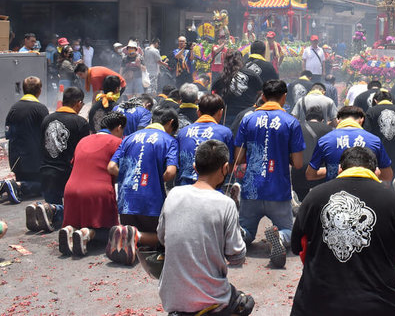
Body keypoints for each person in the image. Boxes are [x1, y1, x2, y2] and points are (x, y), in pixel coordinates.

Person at [290, 146, 395, 316]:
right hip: (379, 307)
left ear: (340, 169)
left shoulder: (314, 197)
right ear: (377, 172)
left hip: (315, 307)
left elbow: (297, 247)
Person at [158, 140, 254, 316]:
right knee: (245, 303)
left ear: (195, 167)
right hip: (212, 298)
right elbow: (237, 256)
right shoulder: (226, 204)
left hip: (172, 298)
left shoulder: (173, 194)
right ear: (225, 168)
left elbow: (162, 237)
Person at [234, 79, 305, 268]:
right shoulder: (291, 122)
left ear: (262, 96)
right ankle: (280, 237)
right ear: (284, 97)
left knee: (247, 229)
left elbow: (238, 158)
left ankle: (240, 235)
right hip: (278, 191)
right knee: (288, 229)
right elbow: (298, 163)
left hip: (252, 189)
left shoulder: (248, 119)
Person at [107, 107, 179, 265]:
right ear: (170, 123)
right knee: (167, 239)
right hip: (151, 205)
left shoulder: (128, 138)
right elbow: (170, 172)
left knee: (132, 227)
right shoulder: (169, 140)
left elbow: (111, 167)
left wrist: (127, 176)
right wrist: (155, 180)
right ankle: (135, 236)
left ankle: (128, 235)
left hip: (126, 203)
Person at [58, 111, 127, 256]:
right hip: (98, 192)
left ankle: (71, 229)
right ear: (119, 127)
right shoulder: (117, 143)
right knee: (112, 231)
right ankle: (87, 233)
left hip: (70, 190)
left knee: (79, 219)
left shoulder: (83, 140)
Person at [32, 87, 89, 232]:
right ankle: (51, 212)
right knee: (75, 211)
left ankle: (47, 209)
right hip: (68, 172)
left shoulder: (47, 119)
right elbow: (83, 152)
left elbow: (41, 145)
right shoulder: (80, 122)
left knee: (54, 212)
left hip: (46, 170)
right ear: (78, 103)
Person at [0, 78, 49, 204]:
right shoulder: (40, 109)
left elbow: (8, 133)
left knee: (24, 187)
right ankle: (17, 185)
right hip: (34, 160)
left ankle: (5, 185)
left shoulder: (14, 108)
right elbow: (47, 134)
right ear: (39, 91)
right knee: (45, 187)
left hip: (16, 158)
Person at [308, 105, 394, 184]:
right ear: (361, 120)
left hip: (335, 193)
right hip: (366, 191)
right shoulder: (374, 140)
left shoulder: (325, 140)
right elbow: (388, 175)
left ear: (338, 120)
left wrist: (333, 170)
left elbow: (310, 175)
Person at [175, 94, 234, 187]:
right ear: (221, 112)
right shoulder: (225, 133)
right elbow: (229, 166)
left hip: (185, 187)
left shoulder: (182, 132)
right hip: (213, 189)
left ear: (198, 112)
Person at [364, 90, 395, 198]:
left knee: (380, 175)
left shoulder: (371, 111)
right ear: (391, 100)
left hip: (377, 151)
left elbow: (366, 134)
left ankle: (383, 189)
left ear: (376, 101)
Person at [291, 107, 333, 202]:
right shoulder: (328, 129)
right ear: (322, 119)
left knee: (301, 200)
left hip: (299, 167)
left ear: (306, 118)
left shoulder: (297, 127)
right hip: (319, 169)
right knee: (321, 200)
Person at [213, 49, 263, 127]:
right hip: (248, 115)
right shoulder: (252, 75)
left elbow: (214, 97)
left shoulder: (220, 78)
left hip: (227, 118)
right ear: (241, 60)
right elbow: (261, 94)